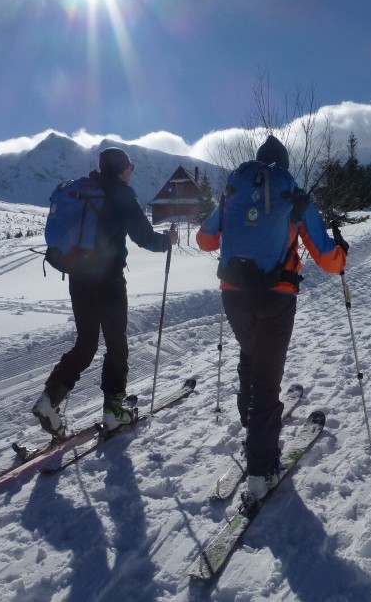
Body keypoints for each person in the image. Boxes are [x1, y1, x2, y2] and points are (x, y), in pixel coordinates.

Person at [196, 136, 348, 507]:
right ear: (284, 165)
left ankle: (254, 429)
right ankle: (262, 472)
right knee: (266, 378)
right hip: (276, 296)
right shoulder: (292, 194)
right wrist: (342, 254)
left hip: (233, 293)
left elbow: (204, 240)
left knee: (250, 357)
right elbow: (328, 259)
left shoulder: (234, 190)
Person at [32, 148, 179, 436]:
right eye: (130, 167)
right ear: (122, 170)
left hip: (78, 278)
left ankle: (49, 400)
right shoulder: (121, 193)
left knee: (86, 344)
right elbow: (144, 237)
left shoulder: (82, 189)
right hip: (108, 281)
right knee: (116, 342)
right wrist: (168, 241)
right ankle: (114, 410)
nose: (132, 171)